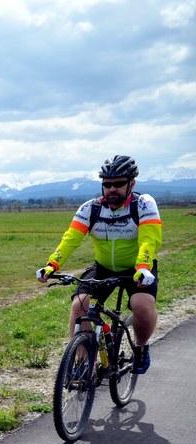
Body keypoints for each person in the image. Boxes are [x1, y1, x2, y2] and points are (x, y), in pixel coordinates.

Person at [36, 155, 162, 373]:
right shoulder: (91, 208)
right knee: (80, 305)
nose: (112, 189)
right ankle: (84, 365)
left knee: (142, 305)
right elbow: (70, 240)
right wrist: (51, 266)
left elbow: (149, 239)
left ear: (132, 183)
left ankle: (141, 347)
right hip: (103, 267)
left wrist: (142, 267)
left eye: (118, 184)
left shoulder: (143, 204)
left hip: (138, 268)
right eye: (107, 184)